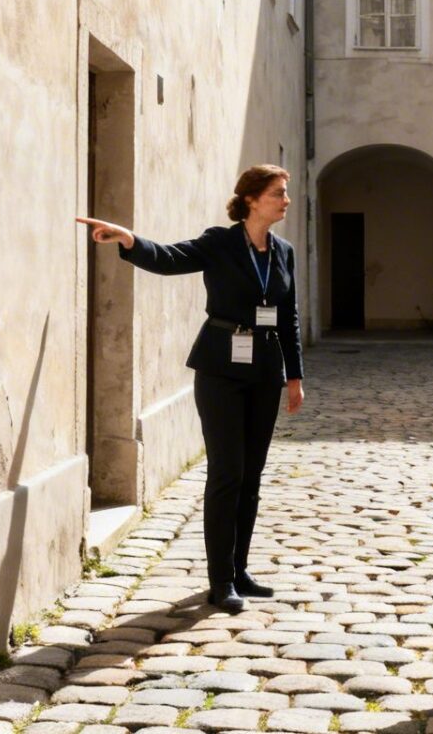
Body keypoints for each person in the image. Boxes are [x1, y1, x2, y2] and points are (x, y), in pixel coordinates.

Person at [78, 165, 306, 615]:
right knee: (227, 472)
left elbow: (287, 316)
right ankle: (219, 580)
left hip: (264, 372)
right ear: (252, 198)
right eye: (279, 193)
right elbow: (170, 258)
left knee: (252, 476)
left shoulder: (284, 252)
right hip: (220, 369)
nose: (286, 200)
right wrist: (129, 241)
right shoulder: (221, 242)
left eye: (286, 194)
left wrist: (294, 377)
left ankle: (240, 570)